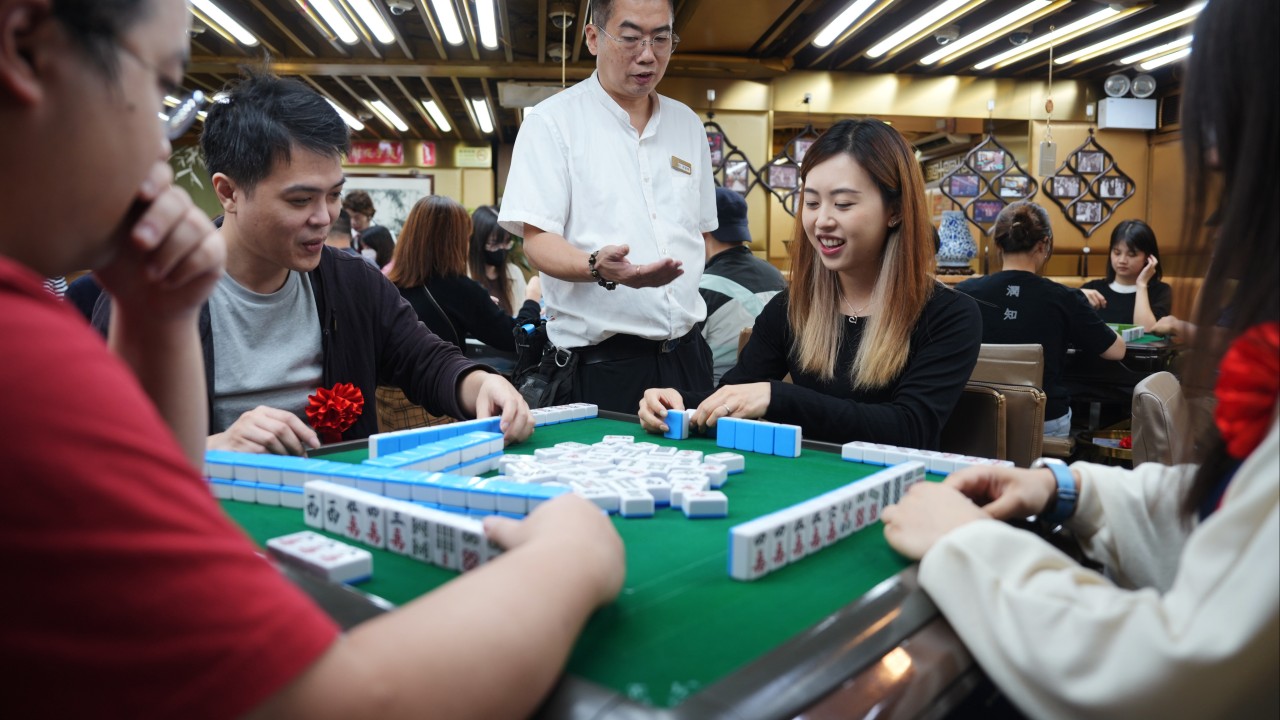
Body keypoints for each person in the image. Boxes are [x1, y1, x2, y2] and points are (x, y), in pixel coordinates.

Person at [0, 2, 625, 718]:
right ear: (26, 48)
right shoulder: (28, 357)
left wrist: (473, 377)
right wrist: (572, 558)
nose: (158, 151)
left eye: (332, 197)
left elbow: (138, 516)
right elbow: (349, 701)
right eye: (160, 90)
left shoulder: (318, 284)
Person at [882, 1, 1279, 717]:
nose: (1215, 161)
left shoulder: (955, 297)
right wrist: (1066, 487)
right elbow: (1240, 518)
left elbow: (1181, 670)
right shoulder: (1069, 299)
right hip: (1056, 423)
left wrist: (969, 547)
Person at [93, 71, 532, 454]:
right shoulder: (151, 294)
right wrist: (213, 447)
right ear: (228, 193)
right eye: (300, 199)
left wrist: (481, 385)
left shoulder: (352, 283)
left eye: (334, 195)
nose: (324, 218)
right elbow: (102, 445)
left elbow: (426, 360)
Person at [640, 119, 982, 448]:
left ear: (895, 211)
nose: (822, 221)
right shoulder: (790, 308)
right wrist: (675, 401)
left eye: (843, 204)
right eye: (813, 202)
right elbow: (732, 396)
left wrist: (778, 397)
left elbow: (909, 429)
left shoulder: (949, 314)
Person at [498, 0, 717, 413]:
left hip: (688, 360)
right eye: (631, 38)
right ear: (594, 38)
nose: (648, 54)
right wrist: (597, 266)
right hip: (603, 368)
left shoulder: (687, 124)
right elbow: (538, 241)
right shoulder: (552, 123)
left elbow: (700, 231)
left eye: (661, 38)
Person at [957, 201, 1125, 437]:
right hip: (1042, 420)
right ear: (1044, 243)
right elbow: (1116, 351)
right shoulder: (1064, 298)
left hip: (976, 417)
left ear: (998, 243)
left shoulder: (965, 293)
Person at [388, 195, 540, 354]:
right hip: (440, 377)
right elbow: (517, 338)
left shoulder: (388, 285)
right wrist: (532, 299)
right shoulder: (459, 289)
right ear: (455, 242)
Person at [699, 186, 786, 383]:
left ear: (703, 231)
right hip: (773, 396)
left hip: (716, 395)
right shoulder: (777, 276)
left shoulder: (702, 288)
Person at [1078, 219, 1172, 331]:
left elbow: (1147, 332)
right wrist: (1077, 296)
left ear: (1148, 258)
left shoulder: (1161, 291)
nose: (1122, 260)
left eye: (1132, 254)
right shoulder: (1092, 289)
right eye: (1117, 253)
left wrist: (1141, 285)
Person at [470, 204, 529, 317]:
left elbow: (522, 317)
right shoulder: (461, 276)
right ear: (477, 242)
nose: (502, 248)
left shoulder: (514, 273)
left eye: (506, 242)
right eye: (494, 243)